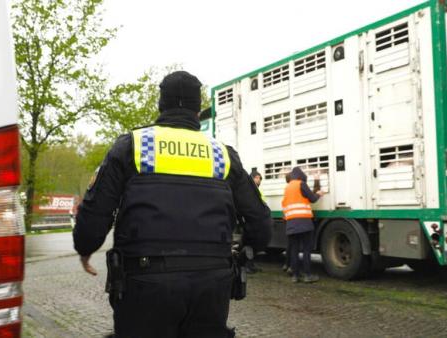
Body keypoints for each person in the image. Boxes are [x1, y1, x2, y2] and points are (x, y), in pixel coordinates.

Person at [73, 71, 272, 338]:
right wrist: (248, 251)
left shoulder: (133, 146)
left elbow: (96, 210)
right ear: (196, 110)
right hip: (212, 283)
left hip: (145, 283)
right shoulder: (222, 155)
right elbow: (260, 220)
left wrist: (85, 247)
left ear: (161, 105)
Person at [281, 167, 324, 283]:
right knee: (306, 250)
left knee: (294, 250)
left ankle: (295, 276)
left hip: (291, 223)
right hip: (304, 223)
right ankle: (307, 275)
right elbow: (313, 198)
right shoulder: (301, 184)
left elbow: (284, 204)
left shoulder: (287, 187)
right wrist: (319, 194)